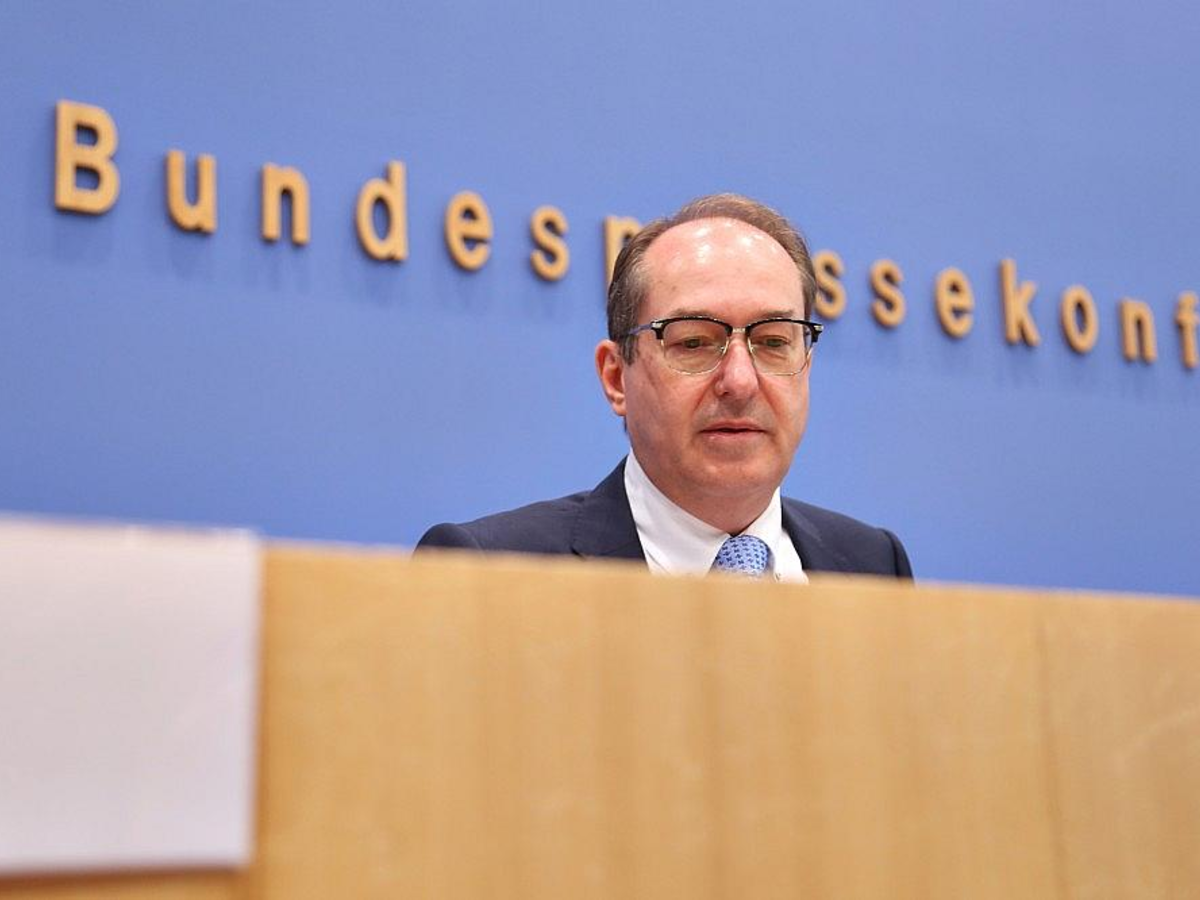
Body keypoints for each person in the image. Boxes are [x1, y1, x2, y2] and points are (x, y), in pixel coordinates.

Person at [418, 193, 911, 580]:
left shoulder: (873, 564)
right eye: (694, 342)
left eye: (773, 342)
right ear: (616, 378)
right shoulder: (490, 570)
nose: (740, 381)